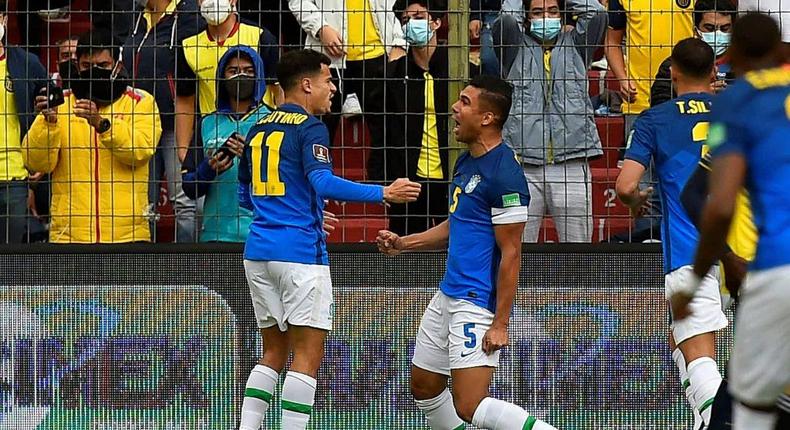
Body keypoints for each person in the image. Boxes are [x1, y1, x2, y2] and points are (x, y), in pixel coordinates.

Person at [236, 49, 420, 430]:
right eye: (328, 80)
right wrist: (383, 192)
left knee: (272, 351)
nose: (333, 88)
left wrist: (302, 211)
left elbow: (246, 195)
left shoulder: (257, 128)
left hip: (258, 252)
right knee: (307, 355)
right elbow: (321, 182)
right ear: (306, 84)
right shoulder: (310, 127)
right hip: (300, 255)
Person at [377, 75, 558, 430]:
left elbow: (512, 253)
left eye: (464, 102)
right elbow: (455, 224)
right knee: (424, 386)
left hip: (476, 300)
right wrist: (404, 243)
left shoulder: (505, 176)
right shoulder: (465, 162)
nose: (455, 110)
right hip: (449, 292)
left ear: (487, 118)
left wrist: (500, 323)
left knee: (470, 405)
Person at [668, 13, 790, 430]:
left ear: (731, 53)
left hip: (772, 271)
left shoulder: (736, 106)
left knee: (743, 414)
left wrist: (711, 267)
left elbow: (713, 203)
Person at [616, 38, 727, 430]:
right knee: (678, 343)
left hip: (691, 252)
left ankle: (721, 422)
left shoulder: (654, 120)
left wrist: (635, 203)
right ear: (715, 72)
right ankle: (705, 420)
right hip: (749, 249)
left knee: (698, 355)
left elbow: (626, 185)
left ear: (672, 72)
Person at [22, 30, 161, 243]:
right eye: (87, 67)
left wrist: (103, 125)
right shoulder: (61, 103)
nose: (94, 72)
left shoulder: (141, 102)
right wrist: (48, 124)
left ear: (118, 66)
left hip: (126, 235)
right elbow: (36, 162)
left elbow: (140, 151)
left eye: (103, 66)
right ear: (77, 66)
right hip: (70, 235)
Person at [494, 0, 606, 243]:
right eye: (537, 12)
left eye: (553, 11)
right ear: (526, 17)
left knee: (578, 250)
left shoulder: (578, 45)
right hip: (522, 163)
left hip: (572, 160)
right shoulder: (512, 46)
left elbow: (595, 12)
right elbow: (507, 20)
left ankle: (577, 283)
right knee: (518, 250)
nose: (546, 17)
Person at [287, 0, 407, 181]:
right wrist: (321, 28)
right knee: (317, 128)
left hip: (380, 54)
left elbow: (403, 5)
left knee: (388, 132)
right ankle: (310, 186)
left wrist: (399, 42)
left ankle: (387, 193)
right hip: (328, 56)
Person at [125, 0, 206, 242]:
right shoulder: (138, 17)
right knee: (142, 204)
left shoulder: (189, 15)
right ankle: (143, 266)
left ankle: (188, 264)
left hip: (175, 122)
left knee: (185, 202)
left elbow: (191, 69)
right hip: (141, 124)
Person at [181, 46, 270, 242]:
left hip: (262, 235)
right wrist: (207, 170)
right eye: (233, 71)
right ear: (222, 77)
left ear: (259, 76)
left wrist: (252, 160)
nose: (241, 76)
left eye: (248, 71)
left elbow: (288, 179)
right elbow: (188, 187)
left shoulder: (273, 120)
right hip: (216, 235)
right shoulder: (207, 123)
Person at [175, 0, 279, 163]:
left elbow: (278, 90)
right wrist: (183, 151)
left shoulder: (260, 36)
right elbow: (185, 99)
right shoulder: (188, 45)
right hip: (213, 137)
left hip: (260, 134)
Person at [384, 0, 449, 235]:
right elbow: (384, 133)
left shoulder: (458, 71)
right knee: (407, 257)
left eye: (419, 17)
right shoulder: (392, 75)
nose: (412, 23)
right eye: (405, 20)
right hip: (409, 181)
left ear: (436, 22)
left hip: (450, 179)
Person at [0, 2, 48, 243]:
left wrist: (39, 159)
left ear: (5, 20)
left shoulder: (25, 62)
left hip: (14, 177)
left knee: (9, 257)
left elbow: (52, 106)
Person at [651, 0, 737, 107]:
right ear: (696, 30)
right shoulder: (677, 62)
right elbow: (659, 105)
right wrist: (699, 97)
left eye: (725, 29)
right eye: (710, 28)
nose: (717, 34)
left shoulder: (744, 65)